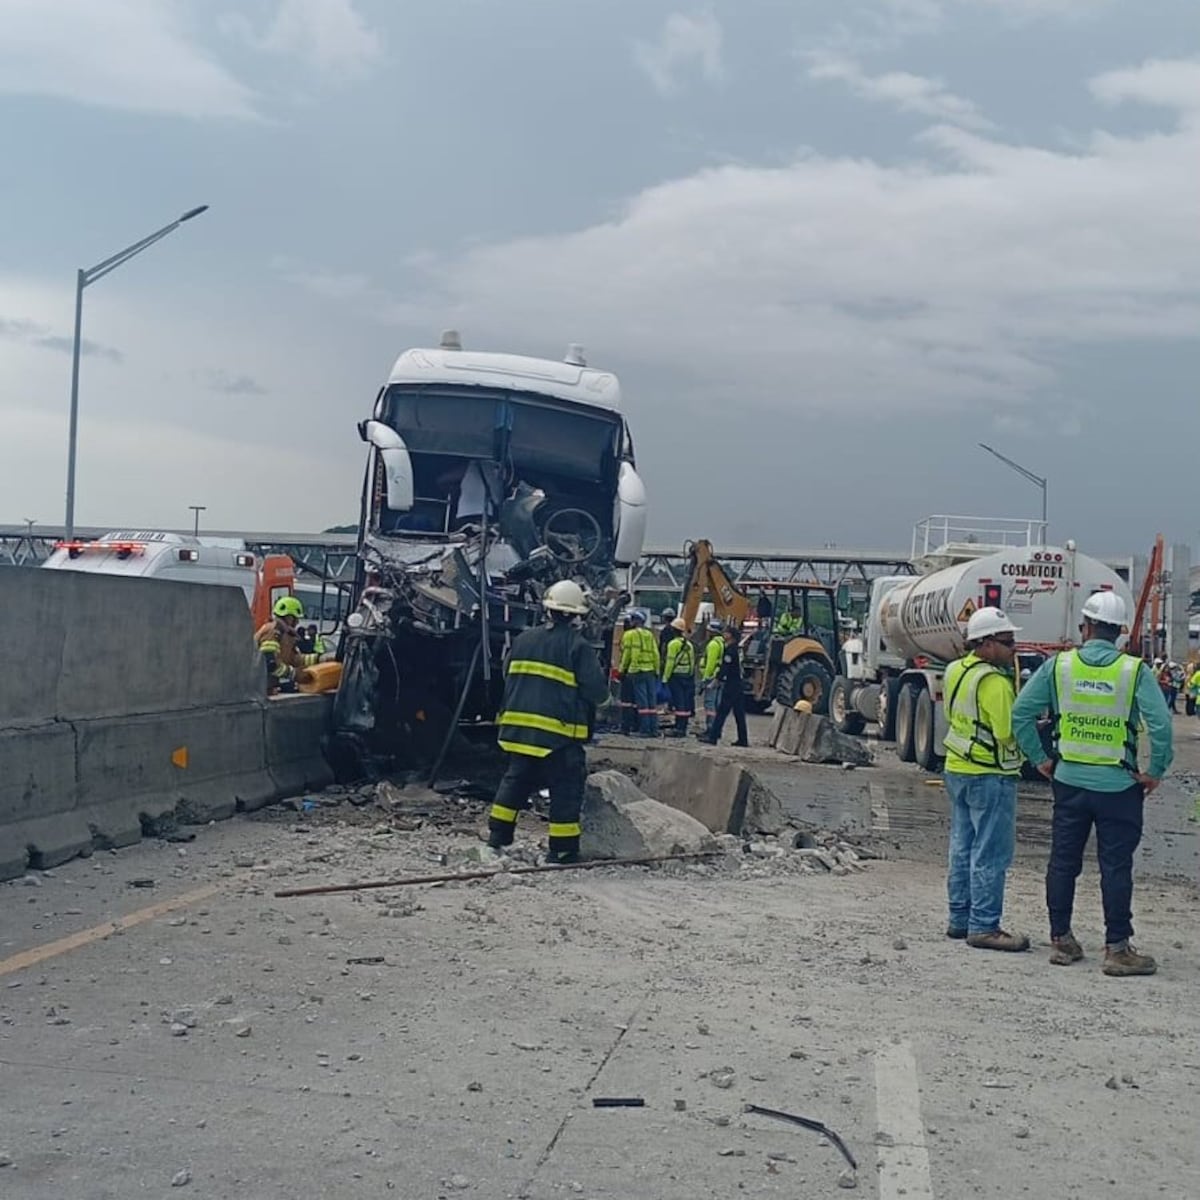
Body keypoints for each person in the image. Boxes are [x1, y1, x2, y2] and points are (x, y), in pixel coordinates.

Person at [1012, 591, 1173, 977]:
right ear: (1119, 632)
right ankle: (1117, 949)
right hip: (1119, 786)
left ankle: (1061, 941)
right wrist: (1155, 771)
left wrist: (1041, 759)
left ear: (1084, 627)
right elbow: (1162, 727)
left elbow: (1021, 714)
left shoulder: (1059, 667)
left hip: (1069, 782)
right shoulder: (1133, 671)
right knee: (1116, 866)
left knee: (1063, 863)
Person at [486, 580, 609, 864]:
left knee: (515, 782)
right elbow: (596, 690)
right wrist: (605, 705)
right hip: (558, 735)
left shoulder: (523, 639)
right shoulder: (577, 646)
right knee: (565, 789)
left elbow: (508, 674)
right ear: (576, 614)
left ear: (548, 609)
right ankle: (562, 851)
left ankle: (497, 838)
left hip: (518, 730)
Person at [941, 607, 1029, 951]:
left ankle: (959, 919)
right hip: (990, 773)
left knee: (962, 847)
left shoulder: (954, 671)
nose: (1014, 649)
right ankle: (984, 926)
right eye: (1008, 642)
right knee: (991, 852)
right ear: (987, 644)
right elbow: (1007, 732)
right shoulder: (994, 683)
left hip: (958, 768)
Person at [255, 596, 318, 695]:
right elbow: (270, 664)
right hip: (258, 688)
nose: (297, 622)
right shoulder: (273, 632)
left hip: (266, 688)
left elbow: (293, 659)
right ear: (288, 617)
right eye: (295, 618)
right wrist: (295, 674)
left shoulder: (285, 635)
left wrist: (319, 659)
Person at [618, 609, 660, 738]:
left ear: (635, 620)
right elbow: (655, 653)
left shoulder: (629, 635)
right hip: (651, 670)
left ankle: (645, 730)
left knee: (642, 702)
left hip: (637, 671)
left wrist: (622, 670)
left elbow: (628, 655)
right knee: (651, 701)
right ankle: (654, 729)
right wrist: (657, 670)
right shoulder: (649, 634)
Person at [704, 626, 749, 747]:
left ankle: (713, 737)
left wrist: (715, 681)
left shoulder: (730, 650)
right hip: (739, 683)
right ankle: (743, 739)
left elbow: (725, 668)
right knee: (739, 713)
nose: (724, 634)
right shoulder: (738, 649)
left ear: (730, 635)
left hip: (732, 684)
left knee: (722, 711)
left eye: (726, 632)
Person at [662, 618, 697, 737]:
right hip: (687, 676)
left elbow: (670, 662)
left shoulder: (673, 644)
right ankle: (683, 726)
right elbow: (692, 662)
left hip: (676, 676)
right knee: (686, 703)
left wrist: (665, 678)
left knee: (679, 702)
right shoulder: (689, 644)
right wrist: (691, 674)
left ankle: (679, 729)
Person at [699, 619, 725, 737]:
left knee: (710, 705)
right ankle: (717, 730)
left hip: (712, 678)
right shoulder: (723, 643)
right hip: (720, 678)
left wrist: (705, 679)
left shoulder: (713, 644)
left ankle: (711, 730)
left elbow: (710, 664)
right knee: (717, 704)